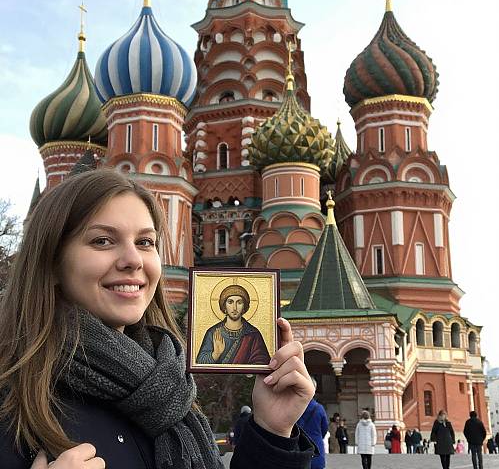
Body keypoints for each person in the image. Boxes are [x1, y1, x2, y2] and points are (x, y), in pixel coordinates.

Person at [0, 169, 316, 469]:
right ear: (52, 261)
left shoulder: (170, 389)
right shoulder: (14, 399)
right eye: (103, 241)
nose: (133, 260)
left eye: (145, 242)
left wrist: (272, 429)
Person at [196, 285, 270, 365]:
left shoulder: (253, 334)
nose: (234, 308)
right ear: (224, 306)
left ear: (244, 307)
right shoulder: (213, 332)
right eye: (230, 302)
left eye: (239, 302)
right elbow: (199, 363)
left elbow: (262, 363)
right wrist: (216, 353)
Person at [297, 380, 329, 469]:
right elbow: (325, 428)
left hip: (299, 446)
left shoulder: (295, 407)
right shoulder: (319, 408)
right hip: (316, 445)